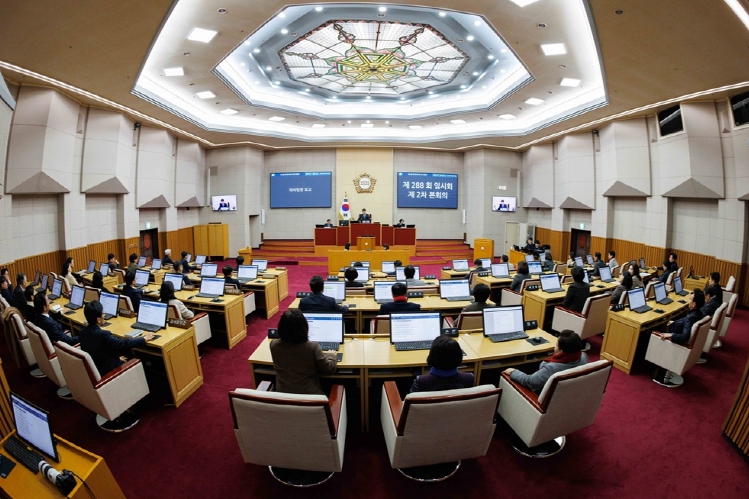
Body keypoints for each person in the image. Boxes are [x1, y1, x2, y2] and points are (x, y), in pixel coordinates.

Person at [269, 309, 338, 395]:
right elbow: (329, 369)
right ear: (304, 328)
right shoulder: (312, 347)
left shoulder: (274, 344)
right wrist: (331, 355)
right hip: (309, 397)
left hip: (283, 397)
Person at [78, 300, 156, 375]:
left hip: (98, 368)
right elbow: (123, 344)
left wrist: (117, 359)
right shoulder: (103, 335)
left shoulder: (82, 333)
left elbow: (99, 352)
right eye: (103, 313)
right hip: (110, 374)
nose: (104, 315)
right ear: (98, 320)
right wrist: (144, 339)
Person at [503, 330, 589, 394]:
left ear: (561, 352)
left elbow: (529, 382)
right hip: (569, 395)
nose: (554, 347)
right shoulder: (584, 357)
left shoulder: (551, 369)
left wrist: (513, 372)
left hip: (539, 399)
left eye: (556, 345)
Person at [410, 336, 475, 393]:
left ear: (431, 357)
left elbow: (411, 403)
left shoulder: (420, 382)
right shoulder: (469, 379)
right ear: (459, 357)